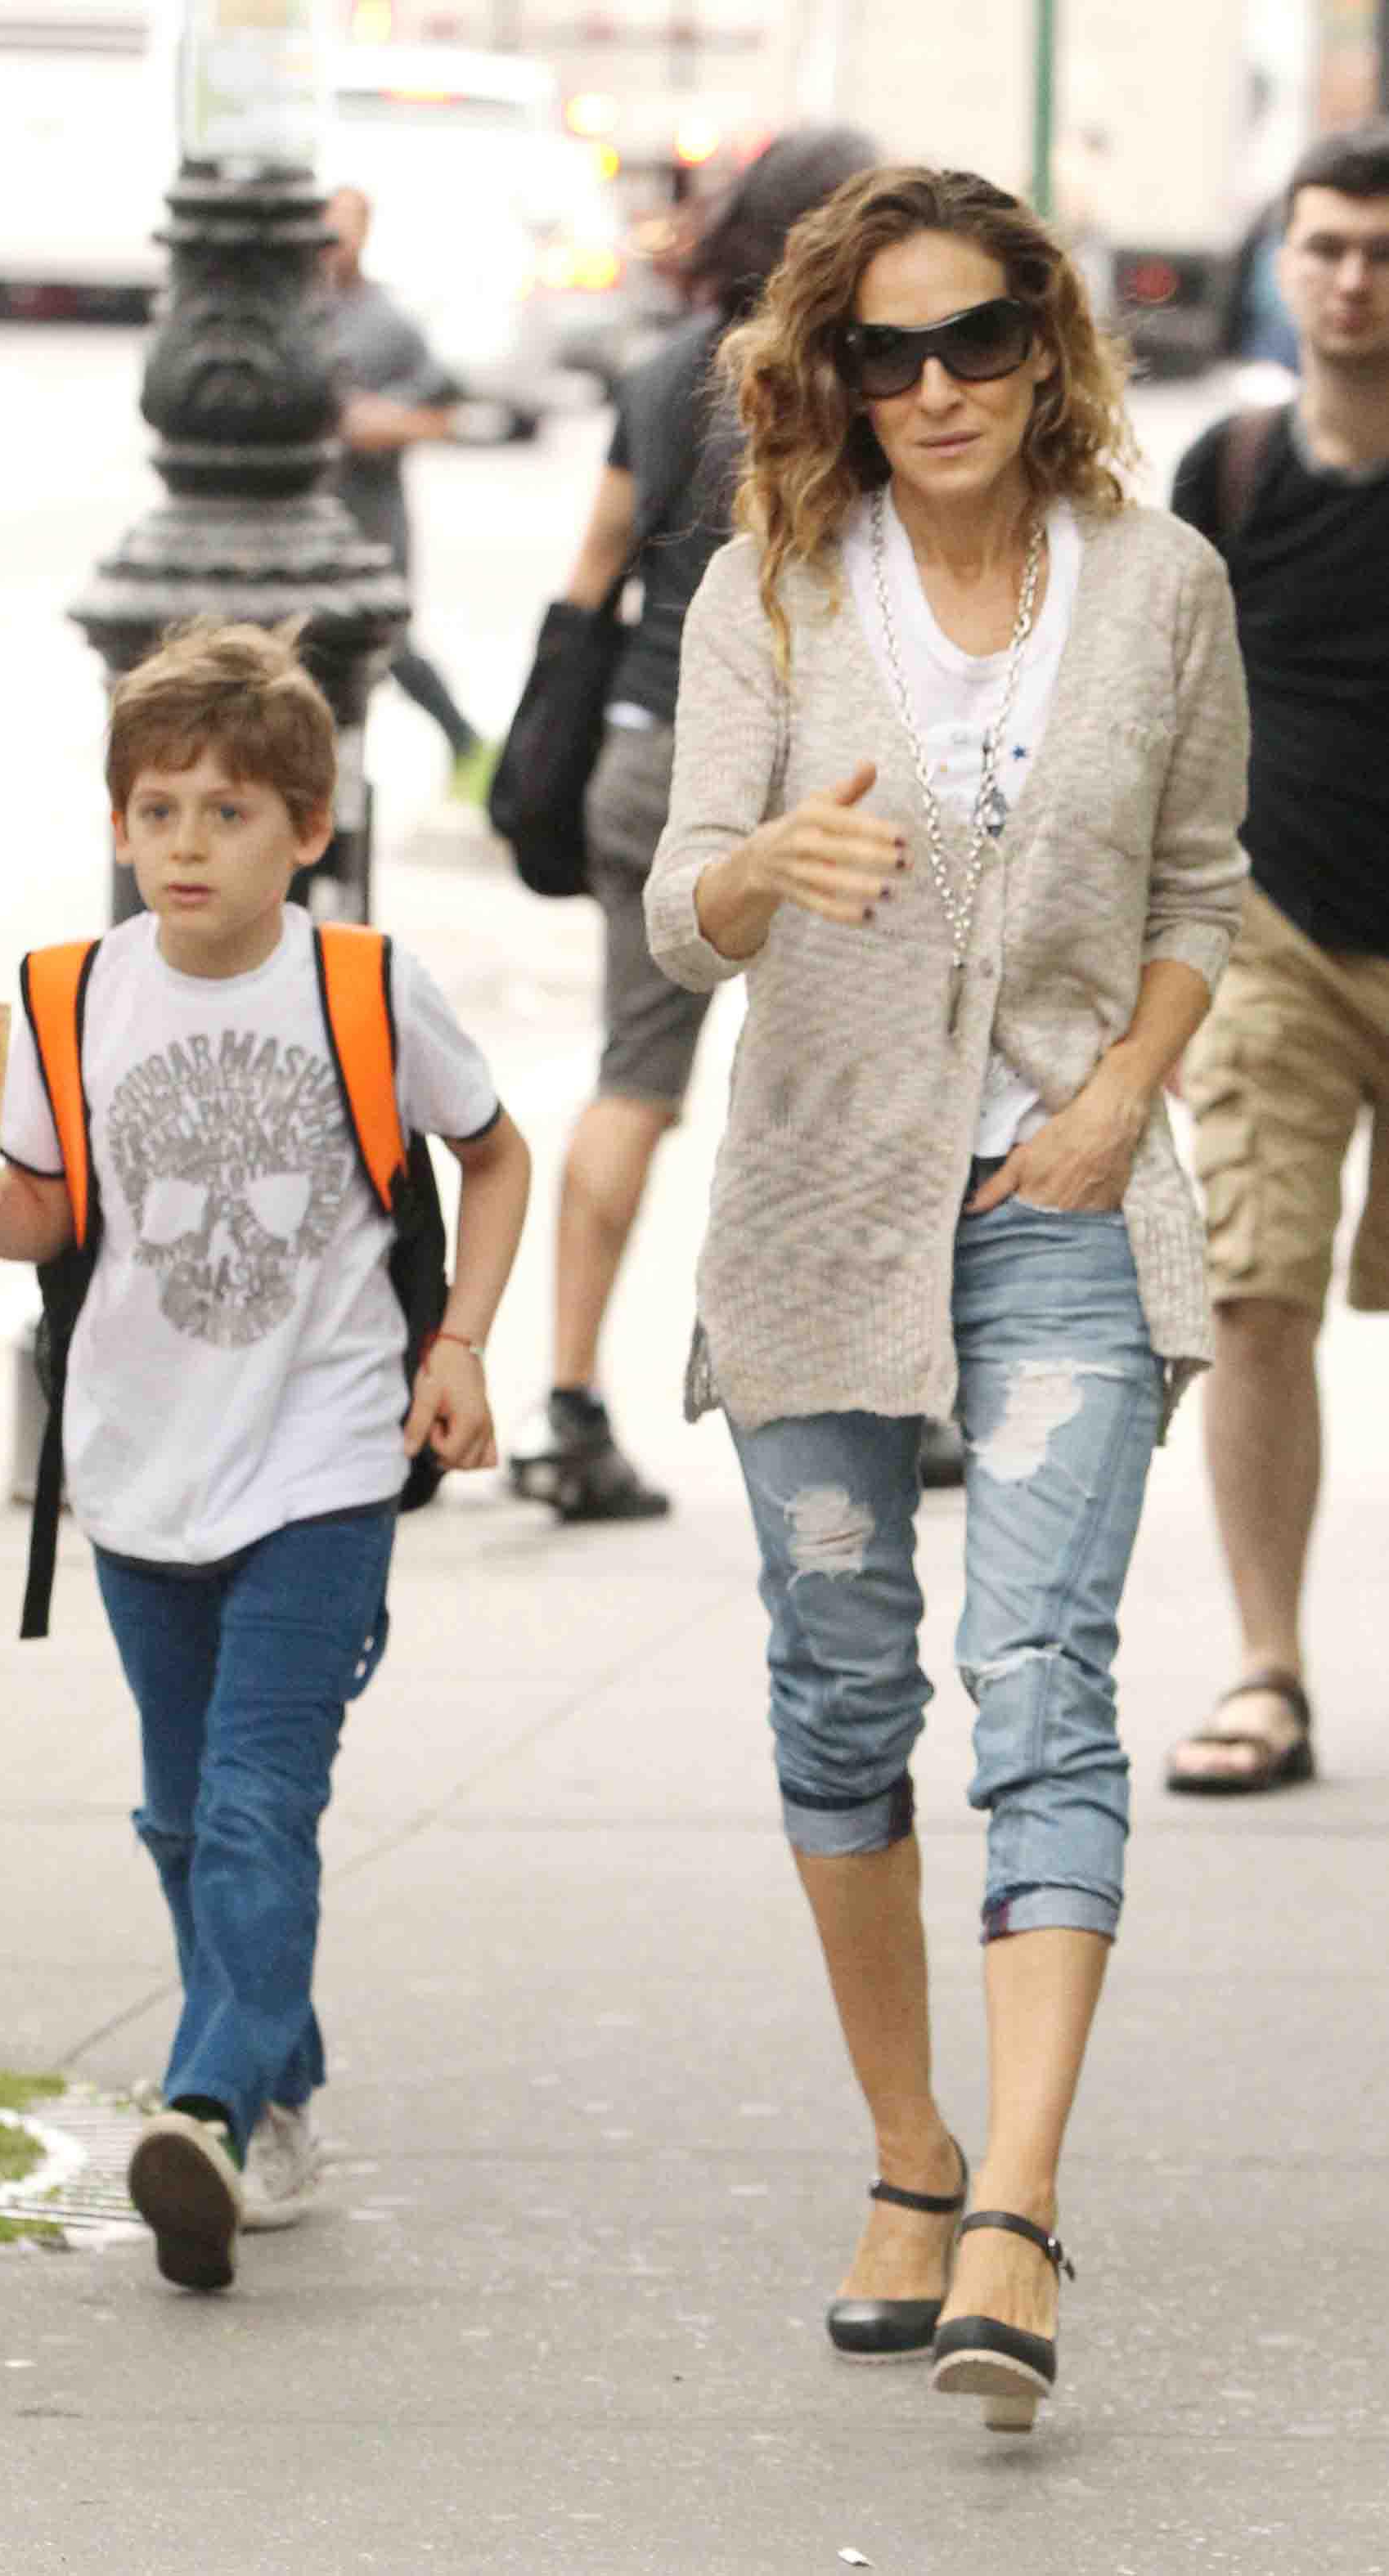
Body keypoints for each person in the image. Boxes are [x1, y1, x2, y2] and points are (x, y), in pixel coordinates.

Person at [645, 166, 1247, 2429]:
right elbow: (671, 919)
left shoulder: (1160, 581)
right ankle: (901, 2153)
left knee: (1042, 1674)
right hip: (813, 1196)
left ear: (1044, 342)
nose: (928, 389)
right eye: (876, 355)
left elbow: (1200, 885)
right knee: (836, 1681)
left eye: (970, 338)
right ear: (825, 378)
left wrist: (1116, 1100)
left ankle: (1010, 2198)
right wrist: (758, 863)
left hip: (1061, 1192)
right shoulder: (770, 587)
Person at [0, 622, 530, 2291]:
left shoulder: (364, 987)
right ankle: (280, 2080)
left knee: (255, 1804)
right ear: (120, 826)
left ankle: (210, 2108)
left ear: (307, 830)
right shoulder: (66, 993)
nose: (188, 843)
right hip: (134, 1463)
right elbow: (45, 1210)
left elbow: (497, 1152)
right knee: (182, 1819)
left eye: (229, 812)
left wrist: (456, 1343)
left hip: (321, 1459)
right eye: (159, 810)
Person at [506, 127, 880, 1524]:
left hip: (647, 758)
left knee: (631, 1082)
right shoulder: (851, 382)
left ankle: (570, 1401)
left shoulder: (668, 369)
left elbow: (593, 567)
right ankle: (885, 1393)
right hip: (811, 772)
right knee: (854, 1087)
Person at [1162, 123, 1389, 1795]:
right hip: (1277, 942)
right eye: (1326, 247)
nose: (1355, 281)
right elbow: (1162, 729)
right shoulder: (1228, 473)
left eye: (1383, 252)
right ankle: (1268, 1668)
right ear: (1283, 261)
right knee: (1254, 1295)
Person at [321, 185, 494, 801]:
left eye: (348, 225)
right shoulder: (289, 317)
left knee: (385, 640)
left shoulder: (388, 325)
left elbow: (446, 413)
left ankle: (467, 743)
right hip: (304, 517)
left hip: (371, 514)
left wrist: (381, 421)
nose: (336, 238)